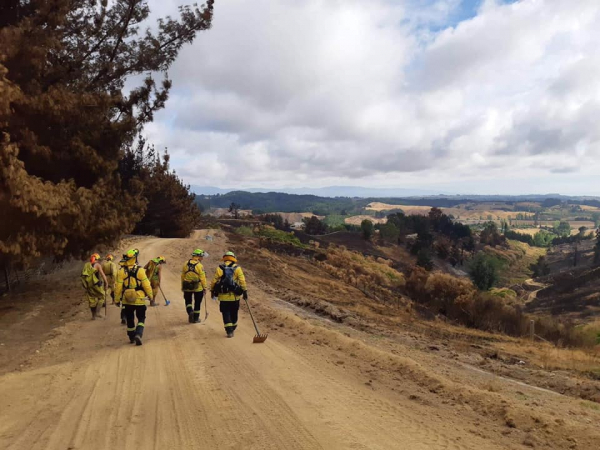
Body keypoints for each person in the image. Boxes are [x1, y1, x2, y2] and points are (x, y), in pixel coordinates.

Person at [114, 249, 153, 346]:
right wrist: (150, 296)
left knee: (130, 318)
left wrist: (117, 300)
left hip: (127, 300)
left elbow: (118, 287)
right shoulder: (140, 270)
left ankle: (131, 337)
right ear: (135, 258)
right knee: (141, 318)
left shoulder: (121, 271)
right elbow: (146, 285)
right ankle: (138, 334)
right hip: (139, 298)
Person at [210, 251, 247, 338]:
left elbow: (214, 281)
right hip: (235, 297)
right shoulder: (237, 268)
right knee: (234, 312)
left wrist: (212, 290)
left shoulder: (220, 268)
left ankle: (229, 331)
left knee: (225, 313)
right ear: (233, 258)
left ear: (224, 259)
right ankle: (233, 326)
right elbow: (242, 281)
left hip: (223, 297)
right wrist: (245, 291)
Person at [181, 249, 208, 323]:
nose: (202, 258)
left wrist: (183, 285)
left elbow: (182, 275)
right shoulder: (200, 266)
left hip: (187, 286)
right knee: (197, 303)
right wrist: (205, 287)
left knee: (188, 301)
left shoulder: (185, 264)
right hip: (198, 287)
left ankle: (190, 312)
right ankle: (196, 318)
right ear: (198, 256)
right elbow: (202, 278)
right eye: (202, 256)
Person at [81, 253, 109, 320]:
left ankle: (93, 316)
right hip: (96, 284)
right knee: (102, 296)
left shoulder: (86, 265)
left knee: (92, 300)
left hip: (88, 285)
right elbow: (102, 275)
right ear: (97, 259)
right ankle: (97, 312)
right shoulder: (97, 265)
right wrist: (106, 283)